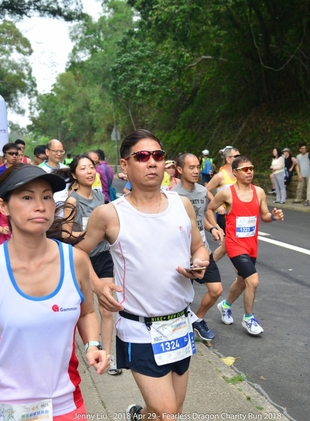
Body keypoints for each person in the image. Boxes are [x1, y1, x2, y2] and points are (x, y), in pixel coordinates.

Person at [0, 164, 108, 419]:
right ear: (3, 207)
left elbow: (87, 313)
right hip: (5, 407)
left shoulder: (75, 261)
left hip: (66, 402)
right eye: (27, 197)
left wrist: (92, 344)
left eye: (46, 197)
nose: (40, 206)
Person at [74, 129, 209, 420]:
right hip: (139, 328)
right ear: (124, 165)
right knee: (167, 413)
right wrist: (97, 286)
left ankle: (138, 416)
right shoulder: (110, 214)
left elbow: (199, 246)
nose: (152, 162)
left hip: (179, 325)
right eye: (142, 156)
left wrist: (200, 262)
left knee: (172, 411)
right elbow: (78, 252)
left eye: (158, 156)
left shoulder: (182, 205)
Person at [209, 156, 284, 335]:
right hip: (234, 244)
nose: (249, 172)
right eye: (244, 169)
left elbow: (264, 216)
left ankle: (225, 305)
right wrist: (215, 227)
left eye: (251, 168)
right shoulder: (227, 193)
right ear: (235, 173)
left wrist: (273, 216)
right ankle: (248, 318)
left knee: (242, 282)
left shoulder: (259, 192)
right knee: (253, 280)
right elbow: (210, 208)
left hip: (251, 245)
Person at [63, 154, 121, 376]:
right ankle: (87, 349)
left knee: (106, 305)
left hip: (104, 256)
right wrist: (91, 234)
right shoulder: (72, 201)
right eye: (83, 168)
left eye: (91, 167)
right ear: (74, 174)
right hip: (82, 258)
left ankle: (107, 355)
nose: (89, 172)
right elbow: (65, 234)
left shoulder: (99, 196)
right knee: (84, 309)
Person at [174, 152, 225, 341]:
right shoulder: (172, 195)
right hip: (181, 252)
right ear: (180, 170)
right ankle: (179, 328)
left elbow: (201, 216)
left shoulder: (202, 191)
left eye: (197, 167)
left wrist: (212, 228)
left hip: (202, 249)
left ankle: (197, 319)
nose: (196, 171)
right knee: (180, 296)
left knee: (216, 289)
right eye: (191, 167)